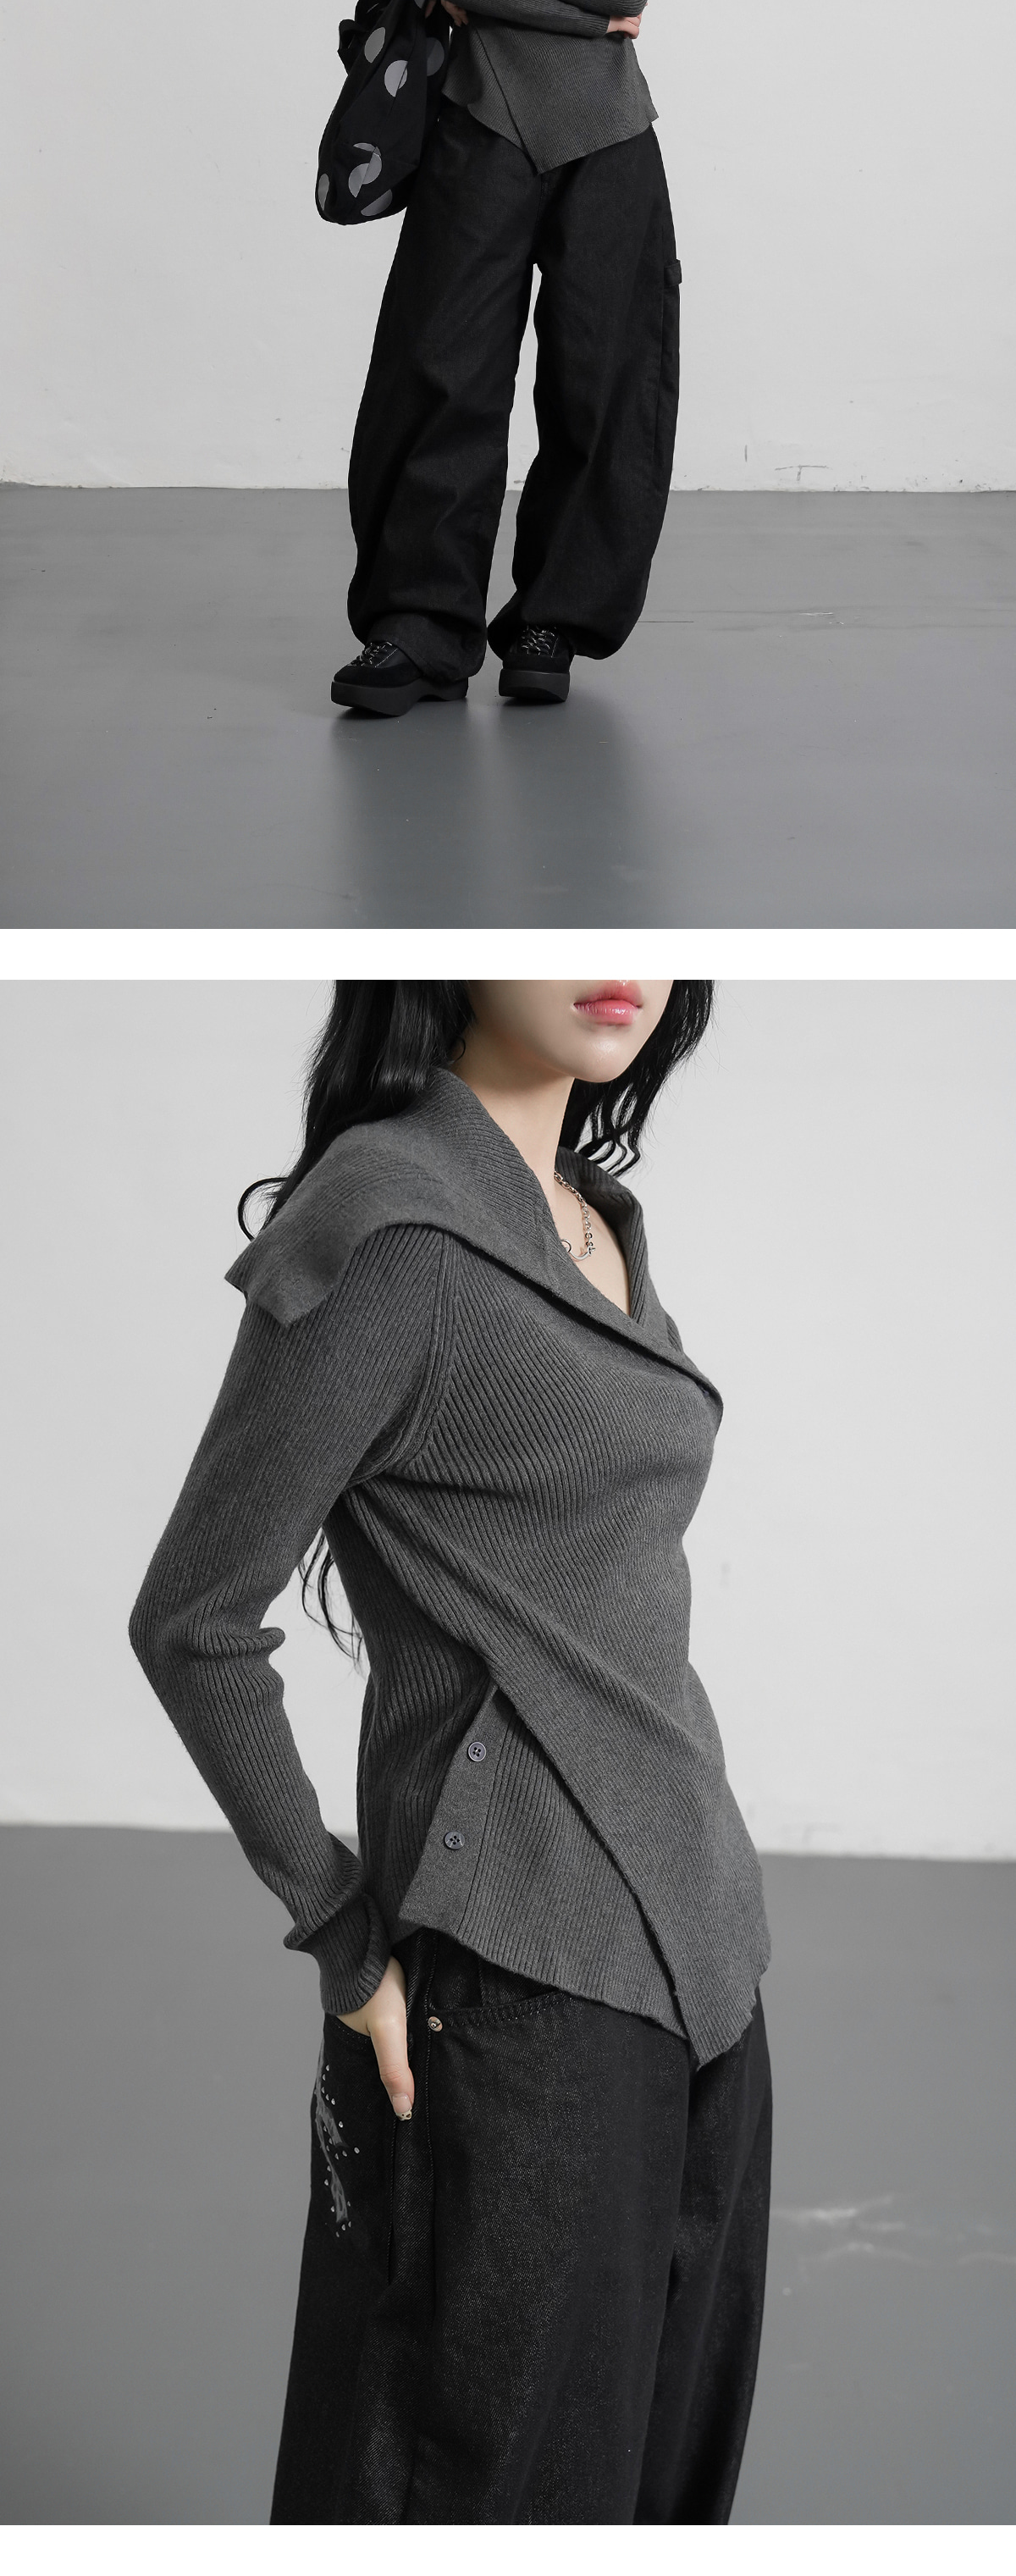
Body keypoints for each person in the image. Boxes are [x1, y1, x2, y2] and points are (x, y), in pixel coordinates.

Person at [130, 976, 773, 2523]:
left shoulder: (593, 1222)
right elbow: (194, 1619)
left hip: (708, 1972)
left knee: (658, 2494)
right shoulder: (395, 1230)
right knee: (475, 2499)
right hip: (526, 1986)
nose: (617, 960)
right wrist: (343, 1935)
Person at [330, 0, 677, 716]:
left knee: (605, 379)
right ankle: (417, 629)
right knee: (444, 369)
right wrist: (576, 4)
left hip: (610, 137)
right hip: (481, 121)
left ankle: (550, 621)